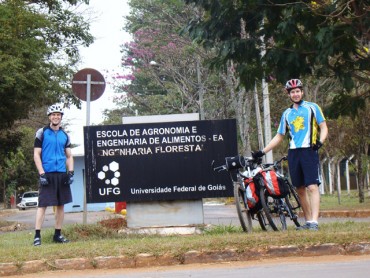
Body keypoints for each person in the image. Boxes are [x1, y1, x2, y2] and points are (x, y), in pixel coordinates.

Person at [252, 79, 328, 231]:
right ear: (289, 94)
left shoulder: (312, 108)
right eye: (292, 92)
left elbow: (323, 127)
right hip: (294, 153)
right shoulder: (287, 114)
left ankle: (314, 222)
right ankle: (308, 222)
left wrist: (320, 141)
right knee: (299, 188)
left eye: (298, 91)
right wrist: (263, 151)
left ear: (302, 92)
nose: (295, 94)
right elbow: (279, 136)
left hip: (309, 150)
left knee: (312, 186)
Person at [33, 104, 74, 246]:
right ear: (49, 117)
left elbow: (69, 156)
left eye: (58, 114)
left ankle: (57, 234)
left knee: (61, 205)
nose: (56, 117)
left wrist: (71, 172)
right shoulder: (42, 132)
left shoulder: (65, 135)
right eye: (53, 114)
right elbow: (36, 154)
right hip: (47, 173)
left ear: (61, 117)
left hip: (62, 174)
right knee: (42, 205)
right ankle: (37, 236)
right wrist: (42, 173)